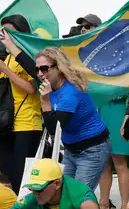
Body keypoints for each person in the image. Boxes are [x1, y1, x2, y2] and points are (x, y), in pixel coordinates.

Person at [35, 47, 109, 190]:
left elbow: (54, 128)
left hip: (92, 149)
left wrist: (44, 101)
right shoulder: (50, 87)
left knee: (79, 196)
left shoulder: (69, 92)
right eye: (37, 69)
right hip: (71, 150)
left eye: (44, 68)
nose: (39, 74)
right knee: (65, 194)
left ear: (59, 67)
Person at [0, 19, 44, 192]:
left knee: (24, 178)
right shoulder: (9, 58)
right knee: (8, 177)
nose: (3, 36)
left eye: (8, 32)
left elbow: (31, 88)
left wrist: (5, 70)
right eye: (1, 32)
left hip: (26, 123)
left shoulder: (29, 56)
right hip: (6, 125)